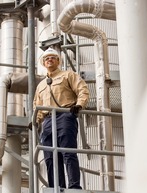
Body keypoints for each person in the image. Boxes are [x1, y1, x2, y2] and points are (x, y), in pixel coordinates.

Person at [33, 47, 89, 189]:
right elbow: (37, 105)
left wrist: (79, 105)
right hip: (47, 121)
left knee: (67, 152)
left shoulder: (68, 75)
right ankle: (56, 187)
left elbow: (82, 90)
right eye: (46, 58)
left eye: (52, 57)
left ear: (58, 61)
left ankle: (74, 186)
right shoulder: (41, 85)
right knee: (50, 157)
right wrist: (35, 120)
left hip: (65, 115)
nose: (49, 60)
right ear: (43, 63)